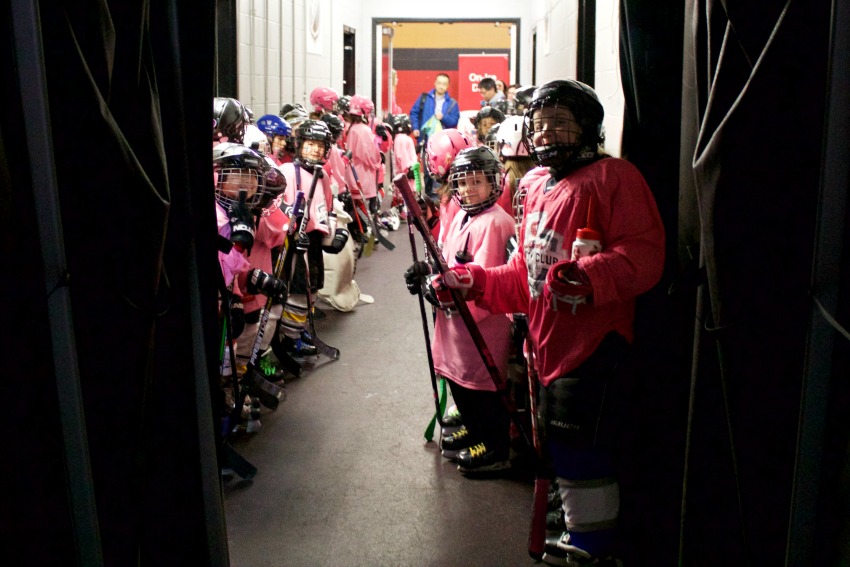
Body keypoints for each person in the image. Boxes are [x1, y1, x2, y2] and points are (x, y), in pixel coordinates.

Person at [432, 80, 665, 565]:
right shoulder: (535, 184)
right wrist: (472, 280)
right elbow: (526, 274)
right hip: (542, 344)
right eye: (540, 124)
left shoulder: (615, 178)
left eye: (561, 123)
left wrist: (588, 275)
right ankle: (572, 525)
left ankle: (592, 546)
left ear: (587, 127)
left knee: (583, 448)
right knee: (556, 447)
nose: (548, 133)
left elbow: (645, 255)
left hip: (593, 341)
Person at [404, 146, 516, 475]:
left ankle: (494, 445)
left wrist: (443, 294)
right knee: (460, 382)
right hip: (454, 322)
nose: (468, 190)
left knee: (483, 386)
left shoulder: (496, 223)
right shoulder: (462, 214)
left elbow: (483, 277)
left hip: (478, 322)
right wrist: (427, 269)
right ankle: (473, 427)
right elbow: (447, 257)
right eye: (462, 183)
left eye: (477, 182)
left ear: (494, 183)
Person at [409, 73, 461, 197]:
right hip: (426, 141)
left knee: (441, 172)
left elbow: (454, 121)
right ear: (435, 83)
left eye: (444, 84)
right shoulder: (424, 98)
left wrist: (443, 117)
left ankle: (439, 200)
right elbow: (414, 113)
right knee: (427, 172)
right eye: (439, 83)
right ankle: (428, 200)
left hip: (444, 145)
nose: (441, 86)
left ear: (448, 86)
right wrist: (415, 128)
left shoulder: (452, 103)